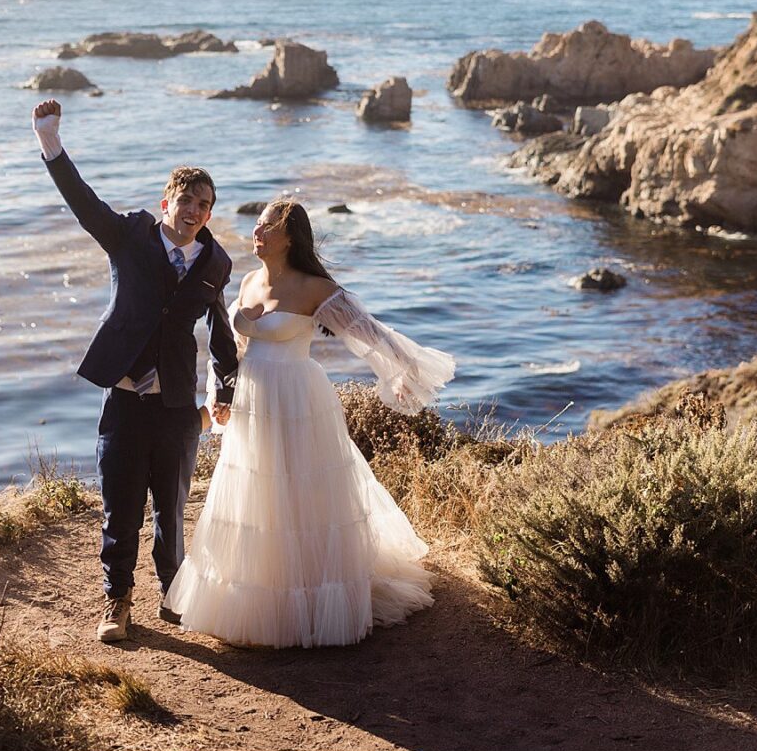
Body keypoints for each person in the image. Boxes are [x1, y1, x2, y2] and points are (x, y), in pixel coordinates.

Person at [163, 199, 456, 647]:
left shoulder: (315, 288)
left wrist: (400, 372)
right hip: (254, 399)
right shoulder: (245, 281)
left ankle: (312, 600)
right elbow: (232, 351)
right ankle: (262, 598)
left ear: (290, 237)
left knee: (300, 491)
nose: (256, 233)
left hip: (297, 396)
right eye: (257, 225)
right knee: (258, 494)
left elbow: (368, 332)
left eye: (266, 227)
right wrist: (219, 397)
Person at [31, 99, 239, 643]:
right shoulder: (128, 236)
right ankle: (117, 602)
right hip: (124, 401)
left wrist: (226, 387)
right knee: (120, 510)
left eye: (205, 204)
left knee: (172, 511)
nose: (195, 210)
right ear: (166, 202)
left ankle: (175, 597)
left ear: (210, 214)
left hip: (176, 407)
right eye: (187, 200)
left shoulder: (216, 264)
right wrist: (49, 140)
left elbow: (219, 329)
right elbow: (83, 204)